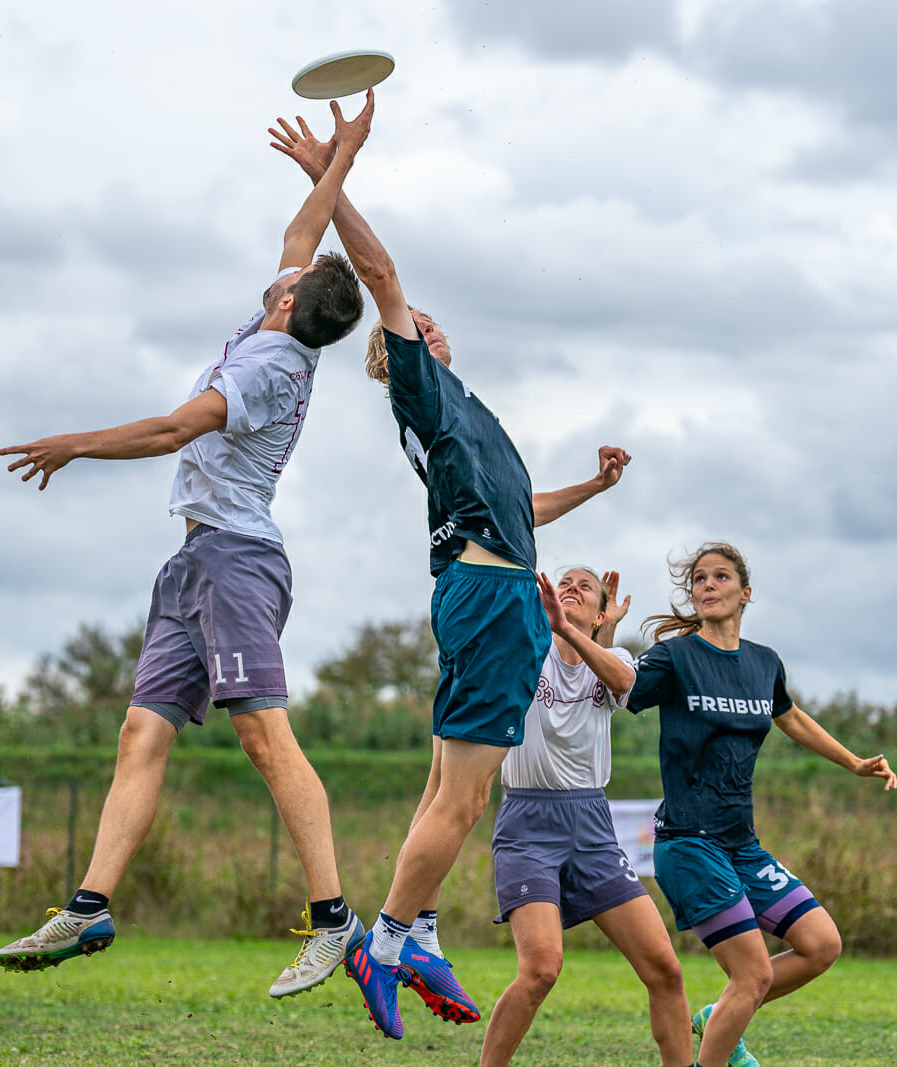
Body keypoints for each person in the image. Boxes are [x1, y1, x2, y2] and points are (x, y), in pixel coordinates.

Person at [0, 94, 375, 1000]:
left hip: (239, 562)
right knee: (140, 732)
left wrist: (73, 443)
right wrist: (336, 159)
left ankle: (334, 921)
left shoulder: (267, 366)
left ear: (287, 299)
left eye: (287, 275)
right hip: (195, 563)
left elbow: (171, 429)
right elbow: (303, 226)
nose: (282, 268)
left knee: (264, 738)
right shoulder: (280, 322)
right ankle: (90, 904)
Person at [269, 111, 631, 1040]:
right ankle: (383, 939)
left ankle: (420, 930)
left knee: (444, 789)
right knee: (472, 796)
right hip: (492, 599)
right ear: (402, 352)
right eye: (414, 322)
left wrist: (592, 484)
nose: (424, 315)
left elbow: (525, 513)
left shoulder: (464, 418)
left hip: (483, 586)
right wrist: (336, 170)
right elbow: (382, 275)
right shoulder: (421, 386)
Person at [627, 543, 897, 1067]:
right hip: (688, 843)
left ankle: (719, 1013)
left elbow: (790, 717)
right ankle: (727, 1024)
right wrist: (580, 635)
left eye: (721, 577)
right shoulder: (676, 657)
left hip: (741, 846)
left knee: (821, 944)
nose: (707, 585)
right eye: (699, 579)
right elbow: (625, 686)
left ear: (744, 593)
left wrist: (853, 762)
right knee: (752, 974)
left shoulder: (763, 662)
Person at [480, 567, 693, 1067]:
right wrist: (553, 623)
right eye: (565, 581)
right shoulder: (525, 651)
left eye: (585, 586)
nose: (571, 586)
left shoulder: (614, 659)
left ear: (601, 614)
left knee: (665, 969)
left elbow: (623, 681)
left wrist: (580, 629)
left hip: (593, 826)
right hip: (527, 823)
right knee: (542, 969)